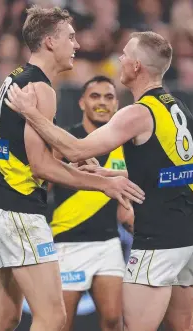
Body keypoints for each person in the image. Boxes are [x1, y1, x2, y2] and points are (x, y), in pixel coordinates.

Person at [6, 31, 193, 331]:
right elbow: (166, 176)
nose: (118, 60)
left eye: (124, 55)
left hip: (158, 241)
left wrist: (32, 113)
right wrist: (106, 174)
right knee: (184, 327)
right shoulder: (181, 109)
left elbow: (75, 149)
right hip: (189, 237)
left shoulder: (137, 113)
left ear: (136, 67)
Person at [0, 7, 145, 331]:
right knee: (53, 318)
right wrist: (102, 184)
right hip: (21, 213)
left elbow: (41, 150)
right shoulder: (41, 88)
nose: (77, 44)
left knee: (3, 317)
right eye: (70, 37)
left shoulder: (15, 77)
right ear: (49, 41)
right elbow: (41, 167)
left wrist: (91, 167)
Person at [50, 75, 134, 331]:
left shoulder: (126, 147)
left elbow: (125, 206)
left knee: (113, 319)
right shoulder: (66, 142)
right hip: (66, 244)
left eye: (109, 97)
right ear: (81, 103)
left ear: (117, 104)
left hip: (108, 243)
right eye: (94, 96)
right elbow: (42, 185)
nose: (102, 102)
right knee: (61, 323)